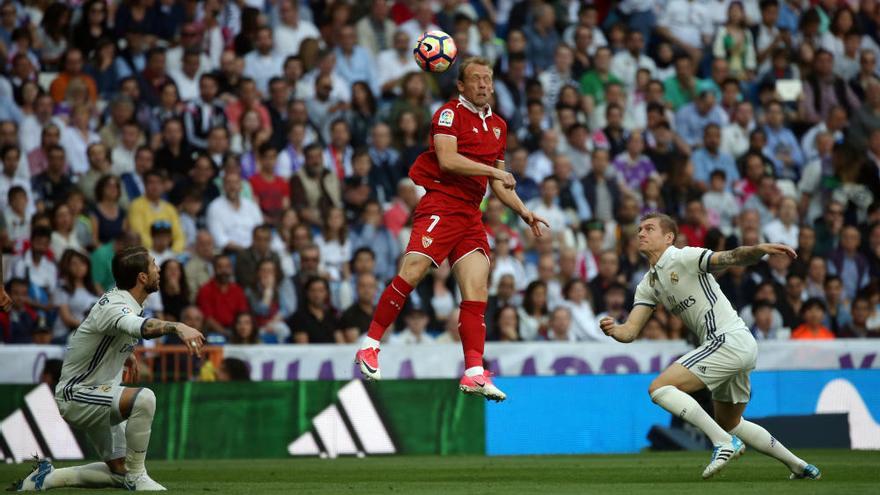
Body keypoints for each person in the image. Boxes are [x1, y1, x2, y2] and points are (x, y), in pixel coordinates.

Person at [354, 57, 549, 402]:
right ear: (461, 85)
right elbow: (448, 159)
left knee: (477, 289)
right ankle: (369, 346)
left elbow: (501, 184)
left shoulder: (499, 126)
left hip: (471, 214)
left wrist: (523, 211)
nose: (484, 85)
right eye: (476, 79)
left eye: (488, 79)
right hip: (441, 204)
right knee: (412, 272)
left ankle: (473, 372)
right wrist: (493, 174)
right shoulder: (448, 114)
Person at [600, 213, 819, 480]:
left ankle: (723, 442)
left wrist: (758, 251)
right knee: (730, 421)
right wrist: (614, 330)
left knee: (659, 388)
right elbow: (630, 331)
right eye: (639, 229)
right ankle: (799, 466)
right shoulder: (648, 284)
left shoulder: (684, 257)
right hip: (735, 345)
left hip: (727, 339)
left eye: (649, 228)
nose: (641, 233)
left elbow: (731, 257)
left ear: (668, 237)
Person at [13, 246, 203, 491]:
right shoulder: (115, 305)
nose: (159, 269)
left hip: (100, 391)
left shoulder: (123, 300)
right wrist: (177, 326)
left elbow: (101, 334)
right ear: (142, 277)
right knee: (144, 399)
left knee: (118, 472)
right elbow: (139, 326)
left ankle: (46, 479)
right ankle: (138, 475)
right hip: (78, 394)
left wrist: (124, 353)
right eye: (154, 264)